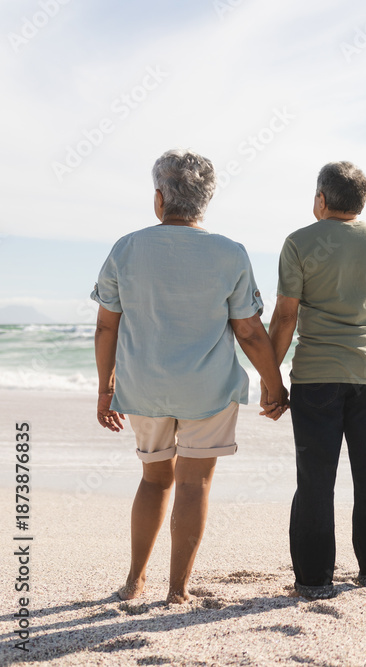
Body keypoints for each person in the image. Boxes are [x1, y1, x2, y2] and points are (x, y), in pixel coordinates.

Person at [92, 149, 288, 604]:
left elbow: (106, 325)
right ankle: (177, 591)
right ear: (207, 200)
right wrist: (274, 386)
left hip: (143, 389)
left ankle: (134, 581)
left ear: (159, 198)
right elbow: (249, 331)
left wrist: (106, 389)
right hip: (209, 389)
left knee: (153, 480)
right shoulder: (230, 252)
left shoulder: (126, 248)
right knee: (194, 483)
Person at [264, 161, 366, 599]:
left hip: (316, 378)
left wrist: (272, 382)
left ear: (321, 200)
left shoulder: (299, 243)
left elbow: (286, 316)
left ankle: (313, 580)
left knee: (315, 479)